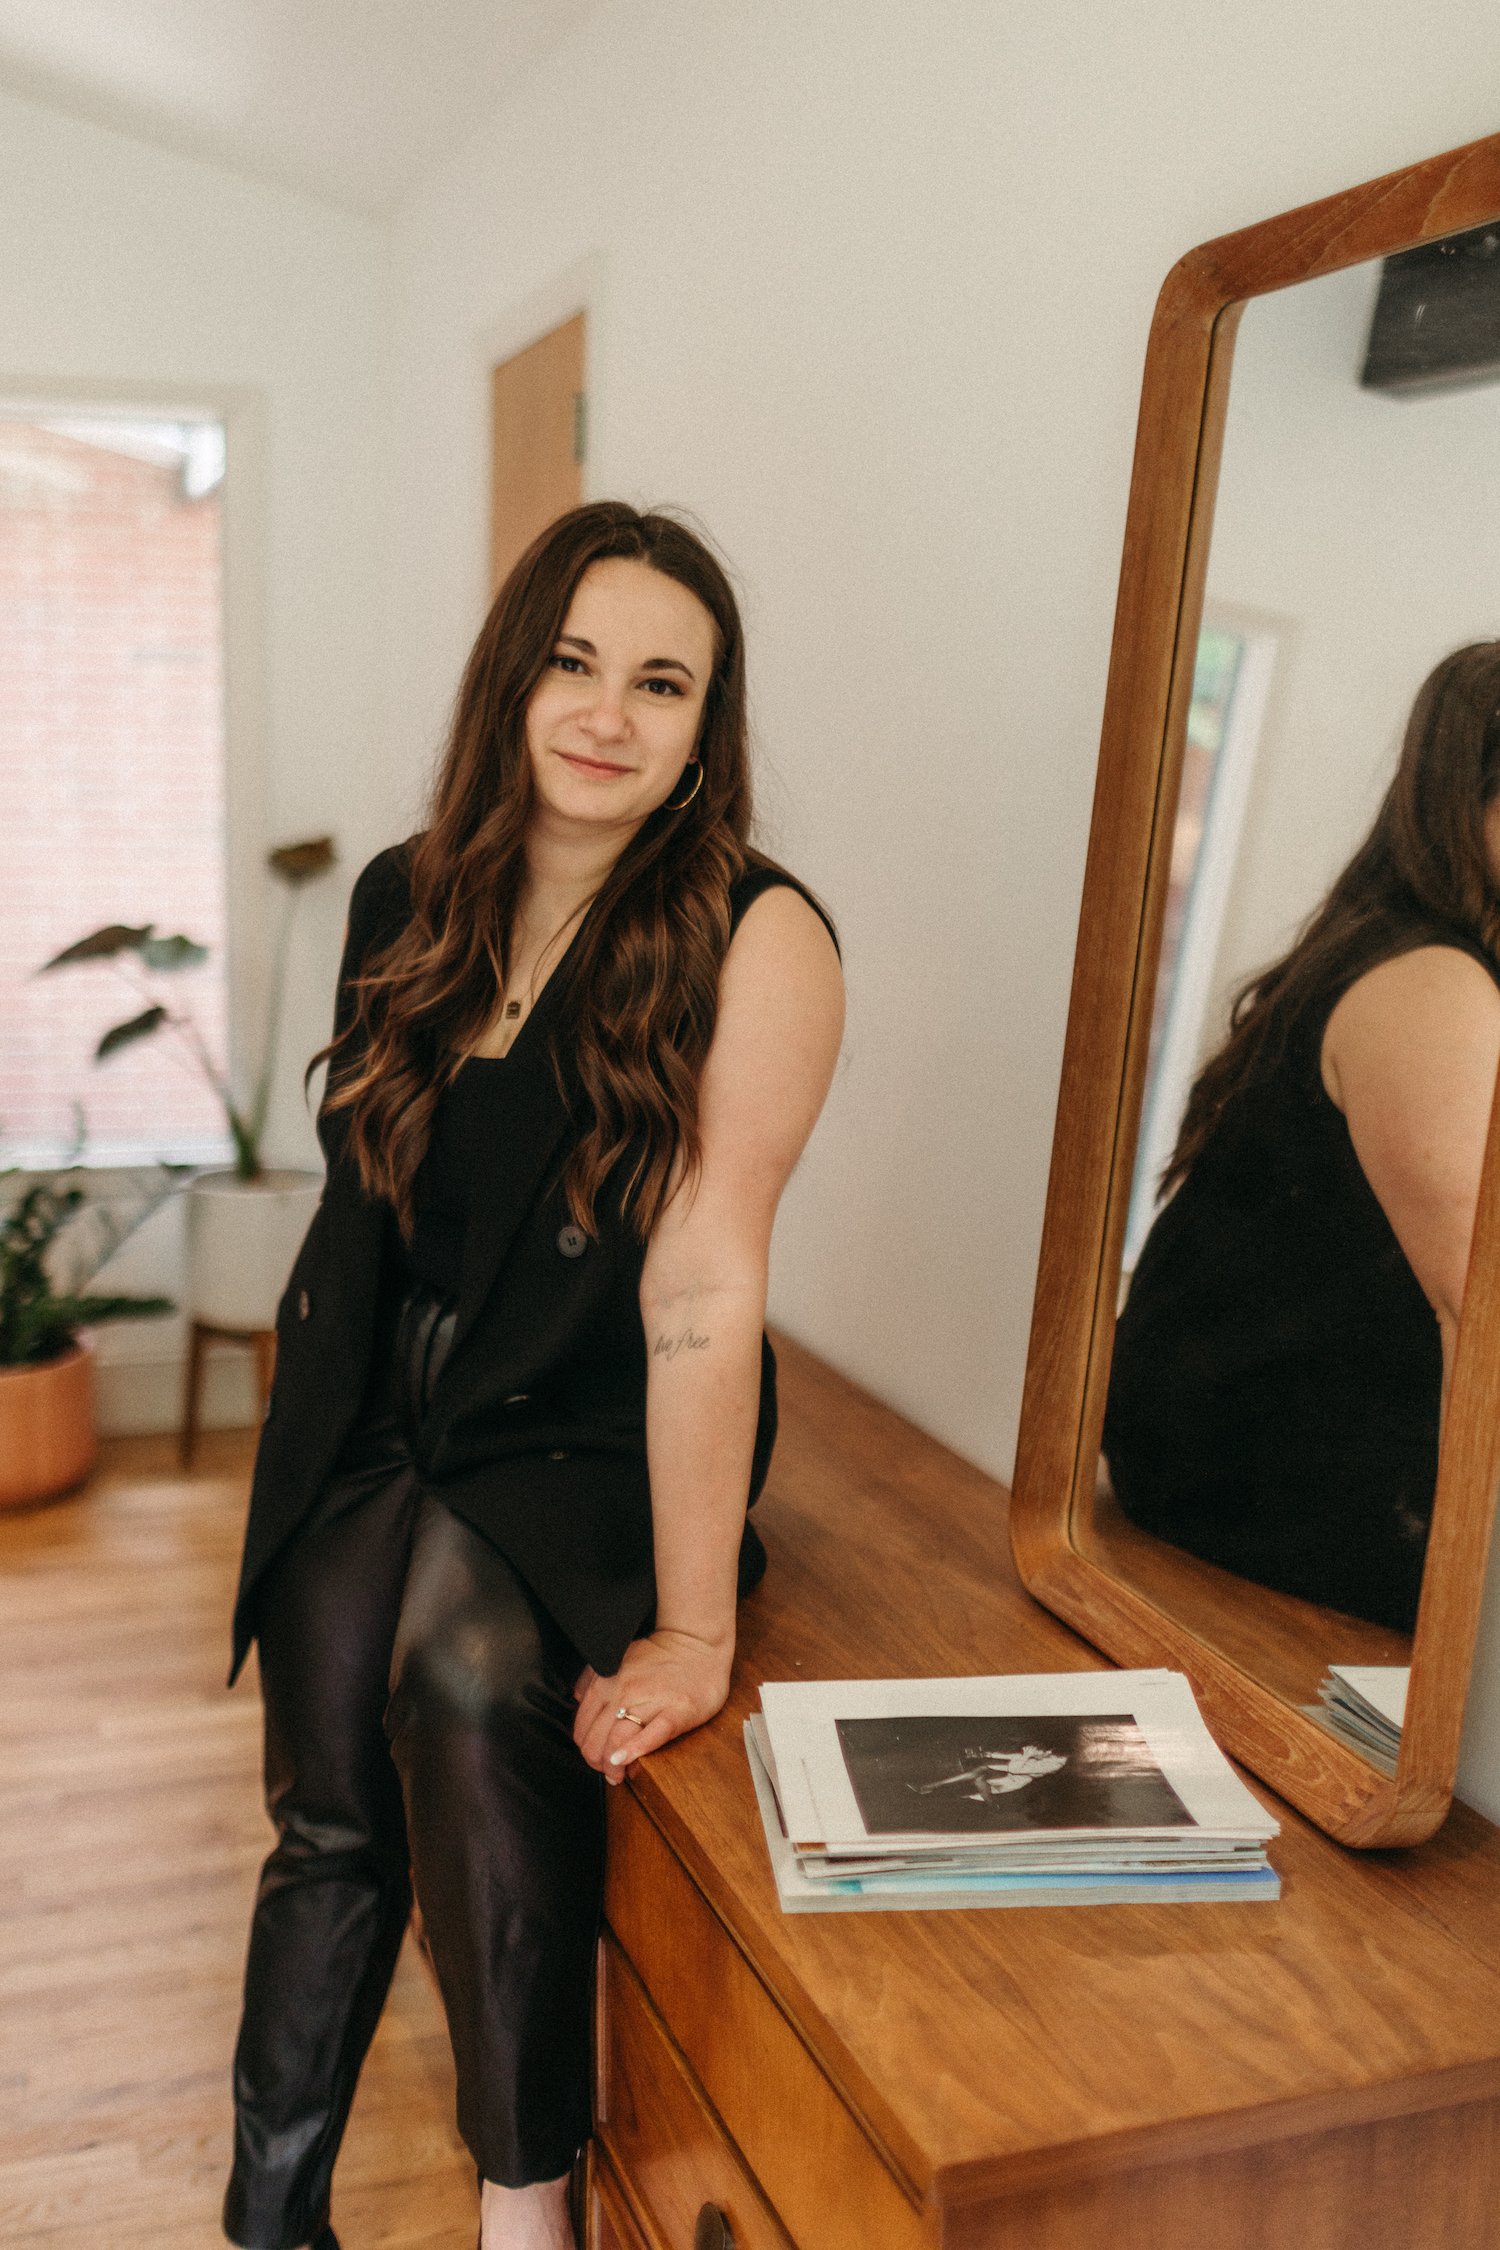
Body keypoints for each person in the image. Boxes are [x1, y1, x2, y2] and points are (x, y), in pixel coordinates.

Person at [221, 502, 845, 2250]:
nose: (607, 714)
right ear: (512, 677)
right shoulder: (405, 894)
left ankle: (527, 2207)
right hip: (386, 1398)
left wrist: (697, 1629)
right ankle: (267, 2220)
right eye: (573, 662)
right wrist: (318, 1453)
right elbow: (366, 1212)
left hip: (585, 1414)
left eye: (662, 683)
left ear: (706, 726)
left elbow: (706, 1284)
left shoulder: (759, 936)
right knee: (325, 1784)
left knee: (461, 1673)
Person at [1103, 641, 1500, 1634]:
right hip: (1268, 1486)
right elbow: (1484, 1312)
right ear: (1471, 799)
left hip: (1232, 1464)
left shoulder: (1393, 950)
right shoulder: (1435, 987)